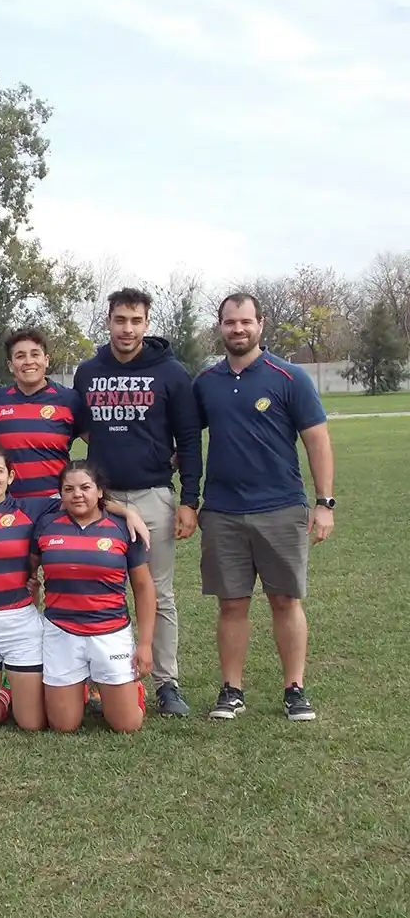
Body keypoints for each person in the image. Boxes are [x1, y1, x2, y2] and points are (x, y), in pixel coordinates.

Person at [194, 293, 334, 723]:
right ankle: (231, 689)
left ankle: (295, 688)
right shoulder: (206, 383)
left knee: (284, 600)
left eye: (245, 322)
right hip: (221, 510)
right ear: (219, 326)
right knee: (231, 604)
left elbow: (317, 440)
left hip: (280, 508)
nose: (238, 329)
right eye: (229, 322)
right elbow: (181, 437)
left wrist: (324, 503)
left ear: (261, 324)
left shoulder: (288, 377)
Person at [0, 442, 149, 731]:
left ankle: (119, 691)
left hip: (29, 623)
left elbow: (84, 497)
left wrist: (127, 512)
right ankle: (10, 692)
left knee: (39, 723)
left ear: (11, 476)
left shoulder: (33, 507)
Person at [72, 287, 202, 718]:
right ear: (107, 320)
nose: (127, 329)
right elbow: (87, 429)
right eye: (120, 319)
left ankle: (167, 681)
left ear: (147, 324)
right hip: (100, 500)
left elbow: (188, 438)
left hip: (152, 495)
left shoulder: (171, 373)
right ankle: (91, 678)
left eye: (136, 321)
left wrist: (189, 499)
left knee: (158, 592)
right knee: (91, 590)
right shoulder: (89, 372)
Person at [31, 461, 156, 734]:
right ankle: (84, 687)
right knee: (64, 725)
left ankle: (125, 688)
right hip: (61, 631)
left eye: (85, 487)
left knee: (127, 725)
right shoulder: (46, 525)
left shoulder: (123, 527)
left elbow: (144, 587)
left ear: (100, 492)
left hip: (110, 631)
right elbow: (29, 577)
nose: (78, 494)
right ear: (60, 495)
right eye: (69, 489)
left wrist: (145, 644)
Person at [0, 328, 80, 498]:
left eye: (35, 354)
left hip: (56, 502)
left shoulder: (69, 399)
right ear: (10, 365)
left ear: (46, 360)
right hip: (11, 504)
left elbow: (95, 443)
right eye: (20, 356)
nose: (28, 361)